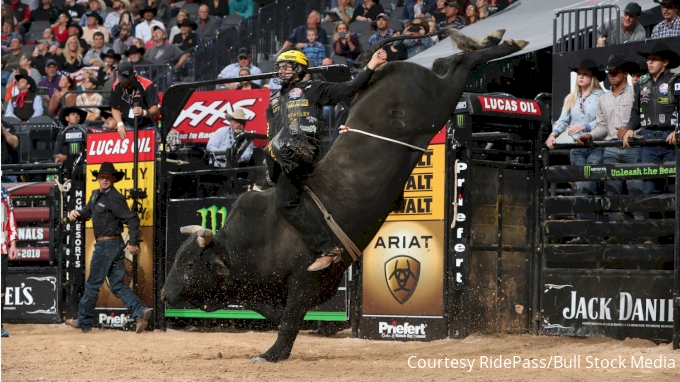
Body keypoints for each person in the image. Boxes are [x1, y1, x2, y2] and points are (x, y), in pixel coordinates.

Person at [266, 48, 387, 271]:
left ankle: (327, 248)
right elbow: (270, 132)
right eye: (279, 67)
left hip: (304, 152)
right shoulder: (274, 99)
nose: (281, 70)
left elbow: (348, 88)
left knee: (285, 203)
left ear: (299, 69)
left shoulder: (313, 88)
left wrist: (371, 65)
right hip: (281, 158)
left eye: (286, 66)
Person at [65, 162, 152, 333]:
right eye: (102, 176)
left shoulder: (115, 197)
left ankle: (84, 321)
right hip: (112, 244)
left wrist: (133, 242)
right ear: (98, 178)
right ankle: (140, 311)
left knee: (92, 284)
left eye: (108, 177)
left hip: (107, 245)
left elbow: (132, 219)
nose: (104, 180)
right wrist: (77, 214)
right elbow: (87, 212)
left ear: (113, 179)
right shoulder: (95, 194)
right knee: (117, 284)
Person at [578, 55, 643, 243]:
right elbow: (602, 127)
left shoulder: (635, 93)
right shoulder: (603, 99)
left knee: (636, 192)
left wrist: (631, 129)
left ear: (624, 73)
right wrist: (589, 135)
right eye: (609, 71)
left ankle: (639, 237)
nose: (611, 74)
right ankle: (618, 235)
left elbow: (642, 119)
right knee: (612, 193)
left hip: (633, 146)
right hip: (611, 149)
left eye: (615, 71)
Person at [545, 59, 605, 244]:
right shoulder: (570, 98)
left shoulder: (601, 96)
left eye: (585, 74)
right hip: (577, 150)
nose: (581, 77)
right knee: (581, 189)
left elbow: (603, 121)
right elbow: (563, 121)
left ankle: (591, 235)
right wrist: (553, 134)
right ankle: (587, 234)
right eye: (579, 74)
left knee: (589, 188)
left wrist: (583, 126)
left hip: (595, 147)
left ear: (592, 77)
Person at [630, 42, 680, 234]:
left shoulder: (676, 80)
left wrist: (678, 130)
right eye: (648, 59)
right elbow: (636, 110)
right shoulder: (641, 83)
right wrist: (628, 128)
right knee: (650, 187)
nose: (649, 63)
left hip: (671, 138)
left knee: (674, 186)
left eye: (654, 59)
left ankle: (673, 232)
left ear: (665, 62)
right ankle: (656, 233)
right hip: (648, 139)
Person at [110, 61, 160, 138]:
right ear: (117, 74)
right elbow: (114, 108)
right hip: (129, 125)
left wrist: (143, 112)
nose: (124, 81)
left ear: (133, 74)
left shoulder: (146, 84)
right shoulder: (116, 86)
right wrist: (120, 124)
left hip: (147, 126)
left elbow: (156, 110)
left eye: (127, 78)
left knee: (153, 148)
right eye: (122, 78)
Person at [1, 185, 18, 338]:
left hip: (1, 248)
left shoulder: (4, 194)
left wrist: (12, 244)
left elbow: (11, 219)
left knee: (0, 288)